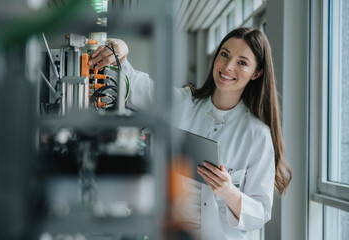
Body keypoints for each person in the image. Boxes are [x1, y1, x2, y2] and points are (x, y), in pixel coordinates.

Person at [88, 28, 292, 240]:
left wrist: (228, 191)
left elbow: (260, 212)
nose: (228, 66)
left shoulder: (257, 134)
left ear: (256, 73)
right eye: (224, 54)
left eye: (242, 62)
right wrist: (121, 49)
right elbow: (137, 87)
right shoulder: (184, 103)